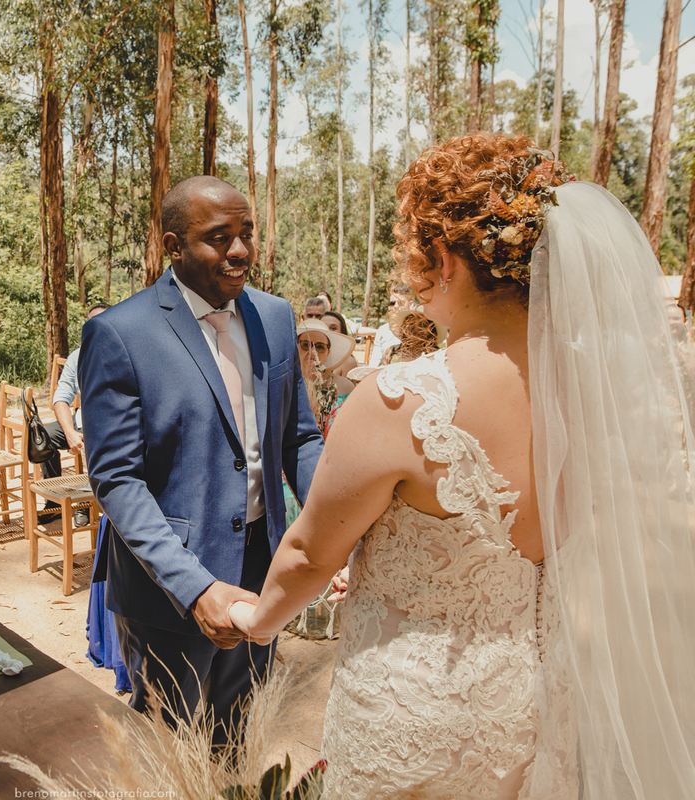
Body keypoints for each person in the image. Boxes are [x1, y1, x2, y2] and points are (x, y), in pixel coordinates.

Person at [230, 133, 695, 798]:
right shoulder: (598, 397)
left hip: (416, 719)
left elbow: (308, 554)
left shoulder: (400, 399)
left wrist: (257, 623)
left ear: (444, 258)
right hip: (539, 707)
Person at [79, 175, 324, 748]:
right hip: (169, 587)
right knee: (168, 750)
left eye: (247, 233)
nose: (240, 251)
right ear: (173, 245)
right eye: (219, 237)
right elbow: (117, 480)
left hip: (263, 571)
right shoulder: (118, 333)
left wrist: (334, 529)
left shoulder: (276, 317)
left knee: (237, 736)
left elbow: (300, 439)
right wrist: (194, 588)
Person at [39, 302, 110, 526]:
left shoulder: (126, 352)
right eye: (92, 323)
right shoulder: (77, 357)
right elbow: (61, 397)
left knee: (97, 443)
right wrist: (69, 431)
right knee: (44, 437)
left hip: (111, 425)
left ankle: (86, 502)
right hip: (82, 421)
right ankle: (54, 503)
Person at [296, 319, 353, 435]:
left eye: (320, 347)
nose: (312, 351)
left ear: (328, 352)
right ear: (296, 347)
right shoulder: (286, 384)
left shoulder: (345, 387)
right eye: (306, 345)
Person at [365, 284, 414, 367]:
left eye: (401, 303)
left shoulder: (419, 329)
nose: (396, 306)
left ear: (411, 304)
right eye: (392, 303)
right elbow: (375, 363)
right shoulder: (383, 330)